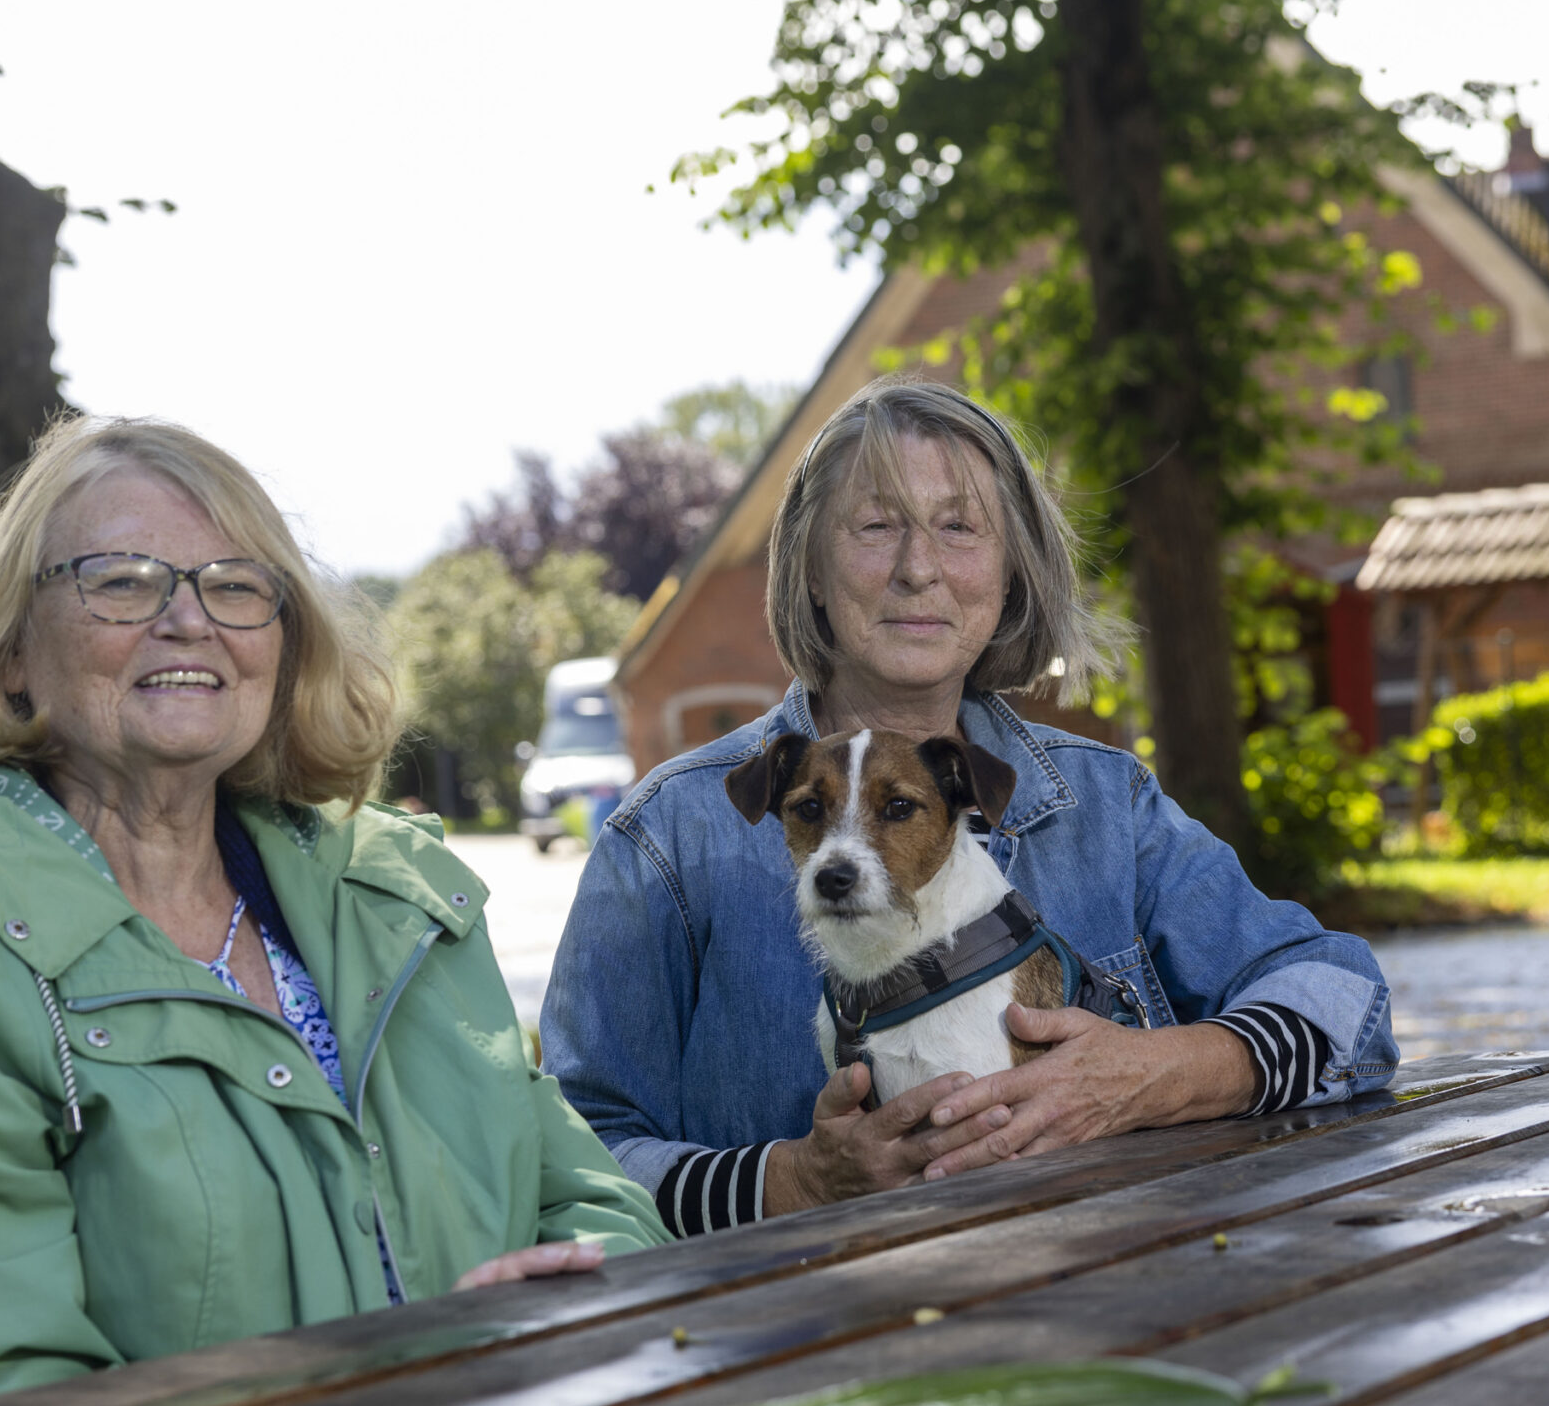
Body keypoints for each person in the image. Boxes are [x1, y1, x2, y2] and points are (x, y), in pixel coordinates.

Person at [0, 415, 669, 1406]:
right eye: (121, 581)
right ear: (11, 651)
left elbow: (584, 1192)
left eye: (235, 584)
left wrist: (568, 1302)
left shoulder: (390, 890)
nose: (189, 619)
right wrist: (399, 1391)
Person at [542, 380, 1397, 1238]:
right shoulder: (668, 837)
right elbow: (563, 1160)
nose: (920, 566)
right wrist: (789, 1183)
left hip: (1097, 1311)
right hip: (794, 1347)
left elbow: (1345, 1001)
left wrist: (1150, 1073)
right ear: (807, 568)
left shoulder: (1106, 805)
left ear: (1010, 570)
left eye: (960, 526)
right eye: (876, 525)